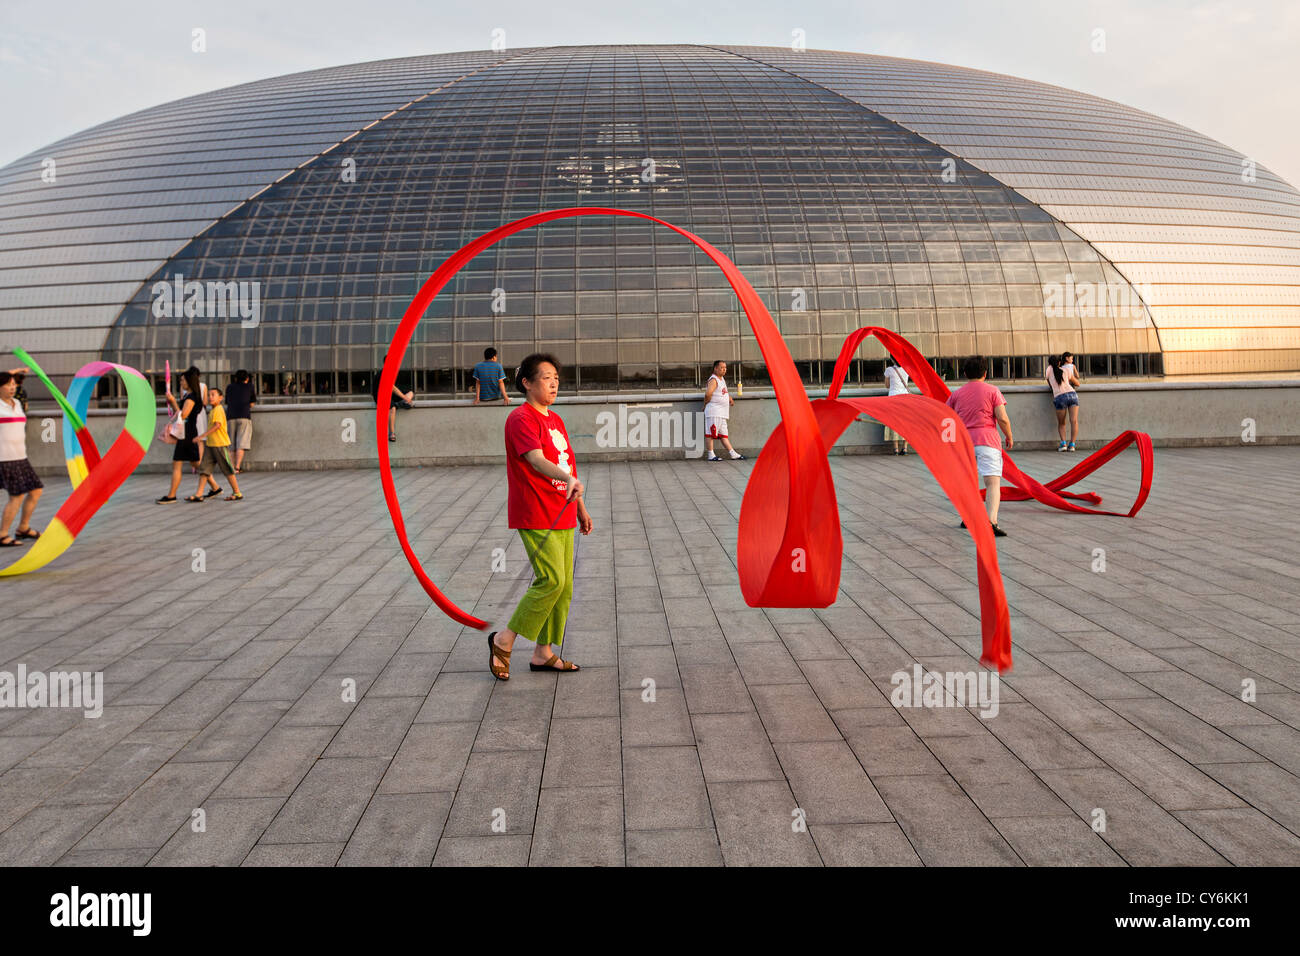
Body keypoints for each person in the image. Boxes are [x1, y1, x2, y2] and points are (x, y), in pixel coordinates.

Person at [488, 353, 593, 680]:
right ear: (527, 383)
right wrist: (569, 480)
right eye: (546, 378)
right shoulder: (521, 419)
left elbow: (567, 464)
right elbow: (534, 459)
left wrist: (581, 507)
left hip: (561, 509)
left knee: (565, 587)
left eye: (556, 379)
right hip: (535, 510)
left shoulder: (555, 420)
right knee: (552, 580)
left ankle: (543, 653)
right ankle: (504, 640)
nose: (553, 384)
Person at [945, 355, 1014, 538]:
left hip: (964, 443)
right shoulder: (993, 391)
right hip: (988, 441)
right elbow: (1002, 418)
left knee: (967, 483)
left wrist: (949, 442)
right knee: (992, 483)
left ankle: (968, 518)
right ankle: (991, 521)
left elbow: (947, 419)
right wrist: (1009, 435)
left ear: (965, 373)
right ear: (986, 373)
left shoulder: (956, 394)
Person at [0, 369, 43, 547]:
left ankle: (23, 528)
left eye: (13, 384)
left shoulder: (17, 403)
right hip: (5, 458)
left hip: (21, 457)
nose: (12, 387)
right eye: (8, 384)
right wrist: (14, 371)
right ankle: (2, 535)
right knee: (16, 496)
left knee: (36, 490)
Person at [188, 387, 244, 502]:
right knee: (204, 469)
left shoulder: (218, 409)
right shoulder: (213, 410)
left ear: (221, 398)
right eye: (209, 395)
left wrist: (201, 436)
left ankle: (237, 492)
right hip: (210, 445)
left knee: (227, 469)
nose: (210, 397)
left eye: (213, 395)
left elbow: (217, 425)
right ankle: (199, 494)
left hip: (220, 445)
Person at [158, 368, 202, 503]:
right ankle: (215, 486)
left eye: (183, 380)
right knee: (196, 463)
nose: (181, 382)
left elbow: (183, 416)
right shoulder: (190, 396)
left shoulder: (191, 398)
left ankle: (171, 495)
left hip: (186, 435)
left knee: (177, 463)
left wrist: (173, 402)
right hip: (188, 433)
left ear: (189, 381)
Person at [704, 359, 745, 462]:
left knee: (723, 435)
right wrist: (705, 404)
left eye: (725, 368)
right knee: (710, 434)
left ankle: (733, 453)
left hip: (722, 413)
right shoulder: (713, 379)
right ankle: (710, 454)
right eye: (722, 368)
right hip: (714, 411)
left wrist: (729, 398)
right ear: (715, 368)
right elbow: (708, 394)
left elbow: (723, 392)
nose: (724, 370)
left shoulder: (721, 379)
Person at [373, 353, 414, 443]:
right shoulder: (383, 373)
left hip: (389, 394)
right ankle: (391, 433)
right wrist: (404, 397)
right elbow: (392, 387)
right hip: (380, 396)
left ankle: (402, 403)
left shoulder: (390, 372)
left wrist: (406, 397)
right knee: (392, 408)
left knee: (410, 392)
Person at [1047, 351, 1081, 452]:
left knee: (1062, 423)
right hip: (1072, 394)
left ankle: (1063, 444)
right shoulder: (1066, 370)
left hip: (1059, 397)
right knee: (1074, 421)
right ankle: (1072, 445)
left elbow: (1050, 384)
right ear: (1059, 362)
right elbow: (1077, 383)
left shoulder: (1049, 370)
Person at [225, 369, 256, 472]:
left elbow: (227, 402)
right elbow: (252, 403)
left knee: (231, 444)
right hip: (244, 416)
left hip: (230, 416)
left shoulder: (229, 387)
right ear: (247, 378)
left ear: (235, 378)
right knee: (241, 443)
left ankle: (231, 467)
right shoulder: (250, 386)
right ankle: (237, 467)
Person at [883, 356, 912, 455]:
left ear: (892, 359)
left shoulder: (889, 370)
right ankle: (905, 448)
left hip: (893, 399)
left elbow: (887, 386)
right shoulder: (907, 369)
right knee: (906, 422)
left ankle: (895, 449)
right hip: (906, 398)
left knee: (894, 423)